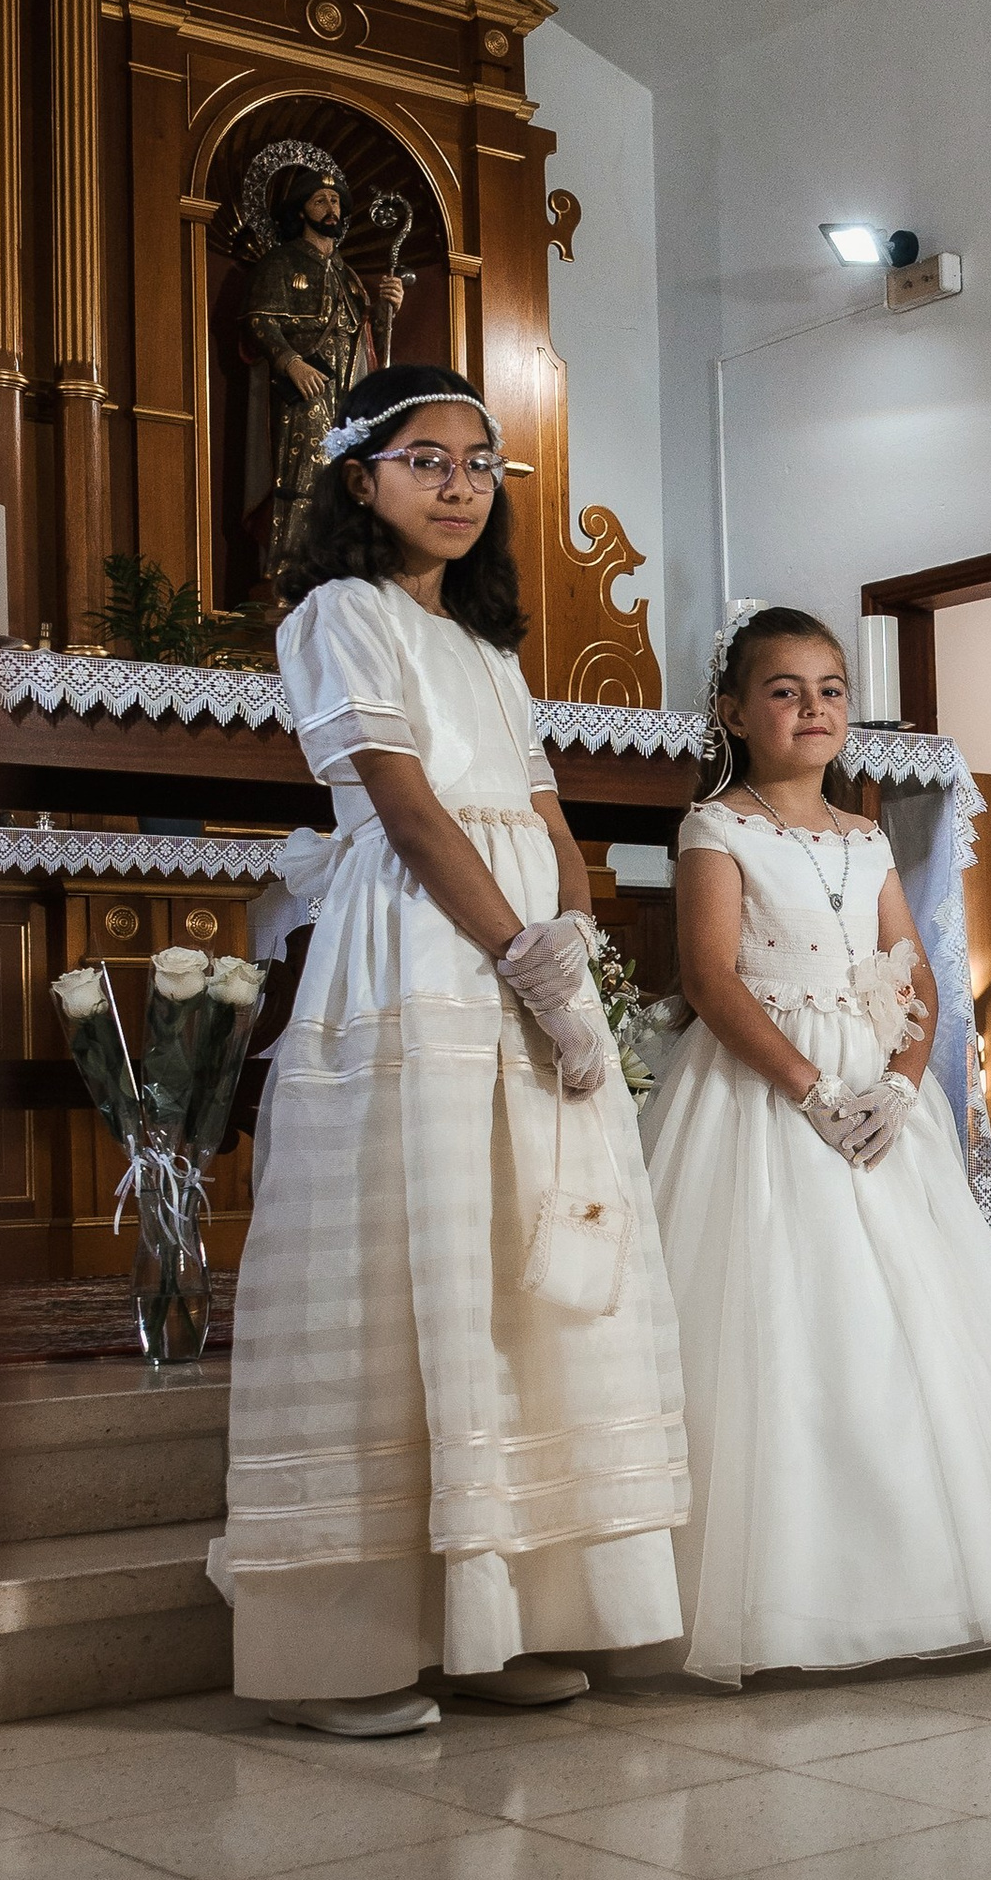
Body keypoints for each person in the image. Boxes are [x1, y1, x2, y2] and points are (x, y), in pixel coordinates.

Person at [211, 364, 691, 1733]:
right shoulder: (336, 614)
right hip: (421, 951)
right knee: (403, 1259)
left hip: (521, 965)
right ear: (359, 475)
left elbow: (546, 818)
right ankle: (347, 1653)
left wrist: (578, 958)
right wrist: (521, 954)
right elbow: (414, 816)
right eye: (429, 459)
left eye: (481, 464)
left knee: (507, 1268)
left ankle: (495, 1620)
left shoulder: (486, 645)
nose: (461, 485)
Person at [644, 603, 991, 1685]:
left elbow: (913, 971)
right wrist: (811, 1089)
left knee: (917, 1322)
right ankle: (781, 1594)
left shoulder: (863, 835)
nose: (812, 708)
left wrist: (904, 1087)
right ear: (732, 711)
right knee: (780, 1318)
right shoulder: (715, 829)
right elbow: (711, 979)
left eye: (829, 690)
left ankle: (949, 1575)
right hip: (767, 1090)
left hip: (875, 1083)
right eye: (784, 690)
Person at [243, 152, 399, 587]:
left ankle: (339, 574)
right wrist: (290, 362)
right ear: (300, 211)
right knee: (303, 477)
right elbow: (260, 320)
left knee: (345, 480)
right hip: (305, 389)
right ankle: (286, 577)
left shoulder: (348, 275)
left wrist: (388, 307)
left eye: (335, 202)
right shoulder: (281, 262)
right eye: (320, 201)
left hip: (347, 392)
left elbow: (367, 342)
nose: (330, 209)